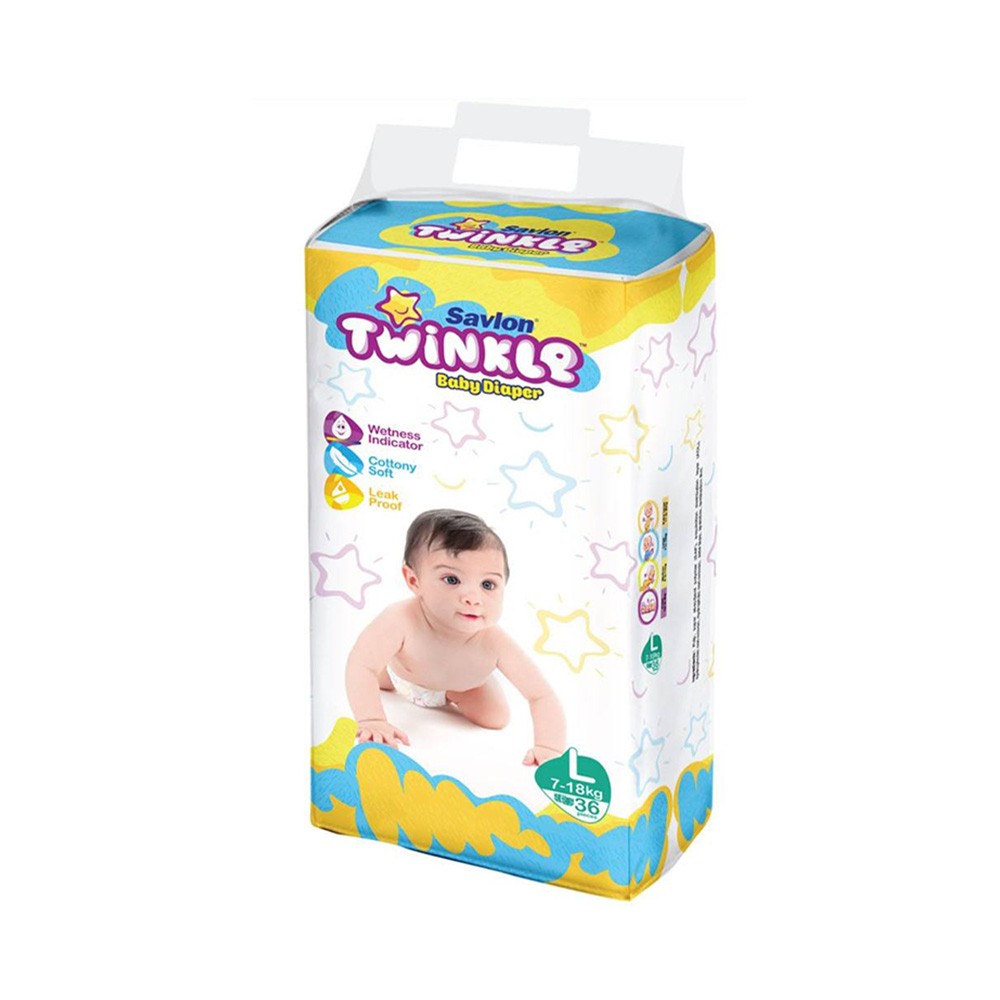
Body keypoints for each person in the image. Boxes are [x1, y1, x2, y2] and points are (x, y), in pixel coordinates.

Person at [345, 509, 566, 766]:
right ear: (414, 580)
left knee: (496, 718)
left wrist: (549, 747)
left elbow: (540, 694)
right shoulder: (400, 618)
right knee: (374, 673)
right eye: (452, 579)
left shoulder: (494, 641)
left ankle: (454, 692)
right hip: (400, 675)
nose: (472, 597)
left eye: (487, 584)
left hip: (463, 688)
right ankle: (389, 674)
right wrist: (372, 719)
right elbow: (361, 665)